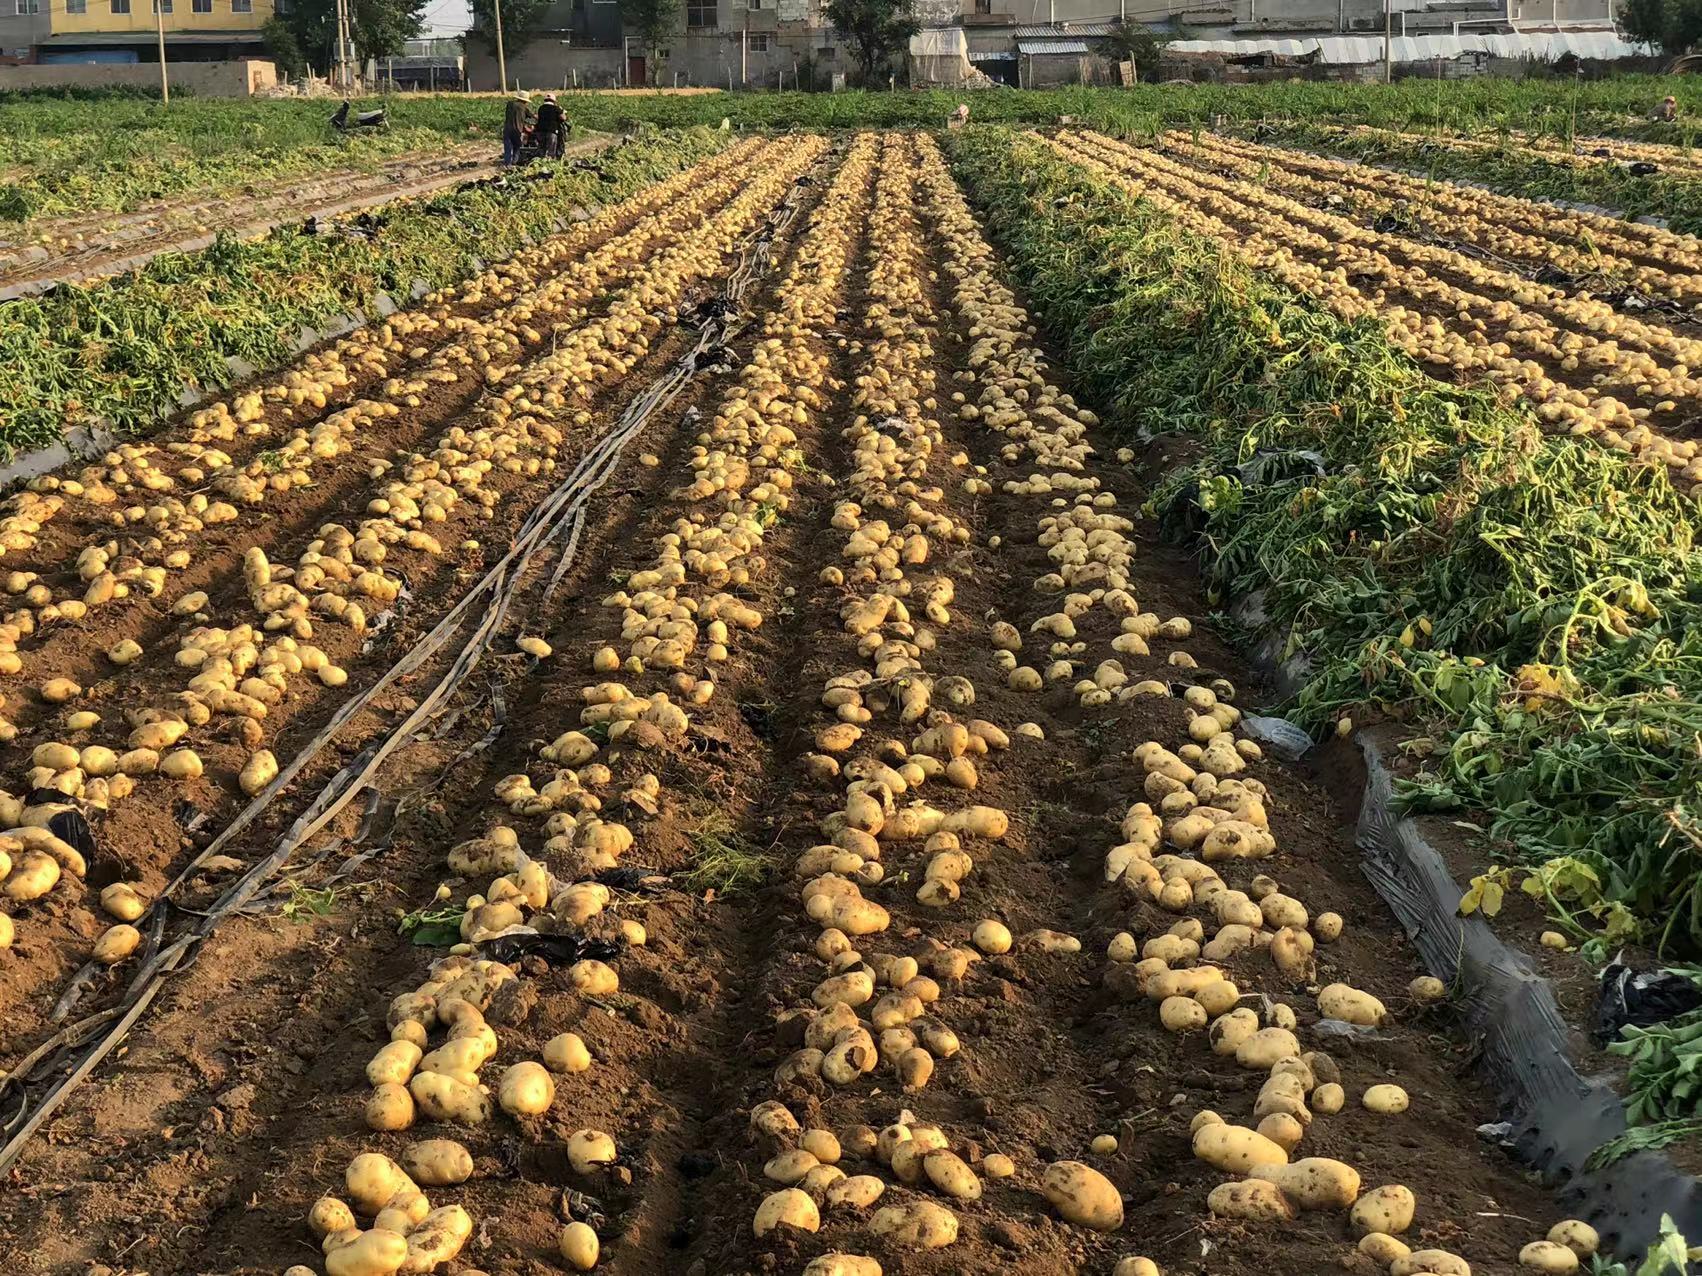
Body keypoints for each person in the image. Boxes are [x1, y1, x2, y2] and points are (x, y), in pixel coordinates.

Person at [503, 91, 533, 166]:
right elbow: (532, 116)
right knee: (517, 146)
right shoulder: (524, 107)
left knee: (508, 147)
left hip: (507, 128)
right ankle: (514, 161)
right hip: (517, 130)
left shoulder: (510, 104)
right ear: (524, 101)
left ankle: (508, 163)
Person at [535, 93, 566, 159]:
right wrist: (562, 112)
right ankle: (550, 162)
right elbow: (563, 118)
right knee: (551, 150)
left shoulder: (541, 108)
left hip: (540, 131)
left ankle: (540, 161)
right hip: (551, 131)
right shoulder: (556, 108)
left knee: (541, 148)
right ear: (554, 101)